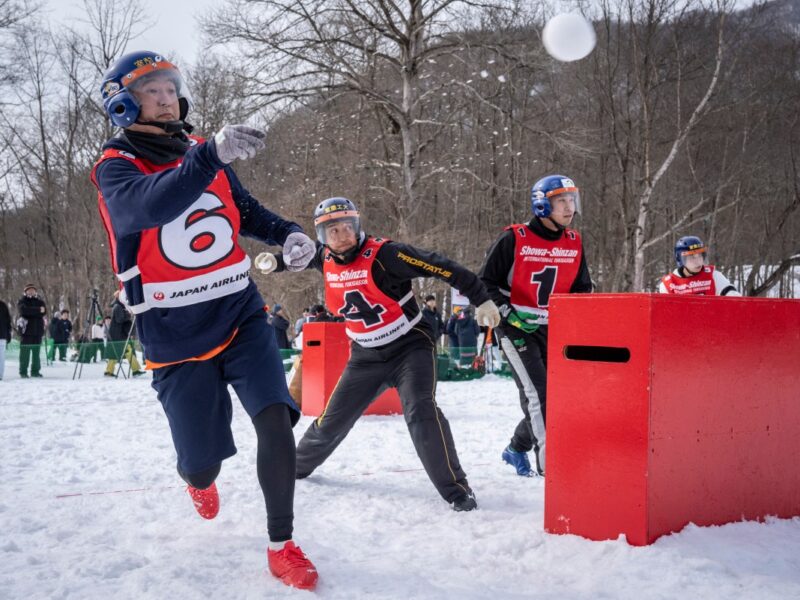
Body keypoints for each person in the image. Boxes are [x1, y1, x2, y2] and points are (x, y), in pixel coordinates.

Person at [90, 51, 318, 590]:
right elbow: (150, 206)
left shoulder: (199, 152)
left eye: (171, 87)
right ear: (123, 105)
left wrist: (287, 232)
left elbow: (244, 210)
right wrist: (209, 156)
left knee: (275, 419)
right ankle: (196, 477)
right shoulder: (115, 167)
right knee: (201, 464)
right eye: (152, 90)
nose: (167, 97)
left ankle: (281, 543)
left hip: (239, 308)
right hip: (173, 330)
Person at [259, 197, 501, 511]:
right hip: (365, 356)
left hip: (409, 347)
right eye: (332, 231)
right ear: (322, 237)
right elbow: (299, 258)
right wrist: (276, 263)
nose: (341, 235)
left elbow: (442, 266)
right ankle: (294, 467)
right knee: (332, 420)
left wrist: (481, 299)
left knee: (421, 412)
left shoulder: (387, 254)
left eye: (347, 227)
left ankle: (457, 490)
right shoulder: (324, 258)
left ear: (358, 226)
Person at [479, 175, 593, 477]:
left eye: (572, 201)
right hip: (516, 328)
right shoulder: (514, 238)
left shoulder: (574, 242)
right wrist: (507, 315)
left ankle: (516, 448)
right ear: (543, 205)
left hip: (556, 330)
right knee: (539, 394)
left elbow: (583, 289)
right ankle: (551, 468)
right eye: (561, 202)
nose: (569, 209)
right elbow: (483, 283)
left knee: (559, 396)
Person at [658, 236, 741, 296]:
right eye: (692, 257)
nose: (697, 261)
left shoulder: (713, 276)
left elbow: (733, 297)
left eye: (700, 256)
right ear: (681, 259)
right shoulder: (669, 284)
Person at [104, 291, 144, 377]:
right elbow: (120, 319)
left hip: (120, 335)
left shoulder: (121, 306)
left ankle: (135, 370)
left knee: (126, 352)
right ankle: (109, 371)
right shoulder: (117, 306)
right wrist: (129, 314)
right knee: (118, 353)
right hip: (117, 335)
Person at [17, 284, 47, 378]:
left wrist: (32, 312)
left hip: (38, 332)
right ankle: (23, 372)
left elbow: (44, 312)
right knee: (24, 354)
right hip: (26, 332)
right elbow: (24, 311)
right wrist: (38, 310)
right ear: (25, 292)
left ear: (35, 291)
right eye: (29, 290)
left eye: (33, 290)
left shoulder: (40, 301)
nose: (31, 291)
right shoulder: (22, 301)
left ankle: (35, 371)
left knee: (36, 354)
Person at [0, 299, 11, 381]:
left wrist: (8, 334)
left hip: (2, 335)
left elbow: (8, 321)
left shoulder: (3, 305)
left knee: (1, 357)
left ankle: (0, 375)